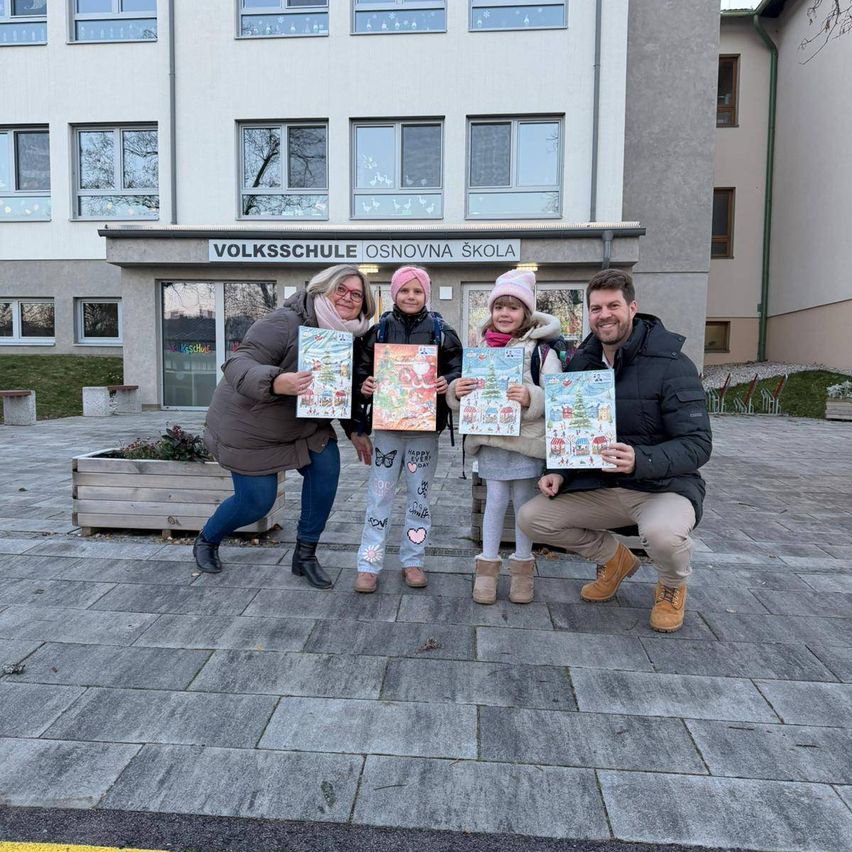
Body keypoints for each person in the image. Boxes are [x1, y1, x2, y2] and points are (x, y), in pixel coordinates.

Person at [517, 269, 712, 632]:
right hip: (602, 488)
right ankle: (615, 561)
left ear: (632, 307)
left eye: (613, 306)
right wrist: (557, 471)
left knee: (663, 536)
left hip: (662, 487)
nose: (604, 315)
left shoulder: (672, 364)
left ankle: (671, 586)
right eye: (596, 308)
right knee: (532, 518)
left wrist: (641, 458)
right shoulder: (581, 363)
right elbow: (570, 431)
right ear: (588, 313)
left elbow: (698, 445)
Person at [194, 265, 375, 588]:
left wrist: (355, 430)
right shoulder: (284, 322)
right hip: (251, 422)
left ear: (365, 304)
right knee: (256, 502)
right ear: (323, 289)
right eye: (341, 289)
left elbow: (339, 391)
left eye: (357, 294)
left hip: (303, 425)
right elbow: (238, 363)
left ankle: (305, 555)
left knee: (327, 468)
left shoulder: (352, 337)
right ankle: (208, 539)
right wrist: (277, 380)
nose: (348, 298)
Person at [446, 270, 563, 605]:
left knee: (524, 506)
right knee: (495, 502)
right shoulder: (481, 349)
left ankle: (522, 571)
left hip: (526, 442)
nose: (505, 314)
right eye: (499, 307)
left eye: (513, 307)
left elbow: (556, 395)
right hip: (493, 440)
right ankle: (486, 569)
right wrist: (458, 390)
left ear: (526, 313)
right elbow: (464, 390)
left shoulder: (543, 352)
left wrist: (530, 398)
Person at [353, 266, 463, 593]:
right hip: (387, 428)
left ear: (426, 294)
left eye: (417, 291)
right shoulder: (378, 331)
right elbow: (359, 370)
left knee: (420, 498)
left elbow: (459, 368)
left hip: (424, 431)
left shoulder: (442, 332)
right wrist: (365, 384)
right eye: (404, 290)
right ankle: (368, 563)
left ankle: (413, 560)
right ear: (393, 293)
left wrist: (451, 381)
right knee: (380, 496)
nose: (411, 296)